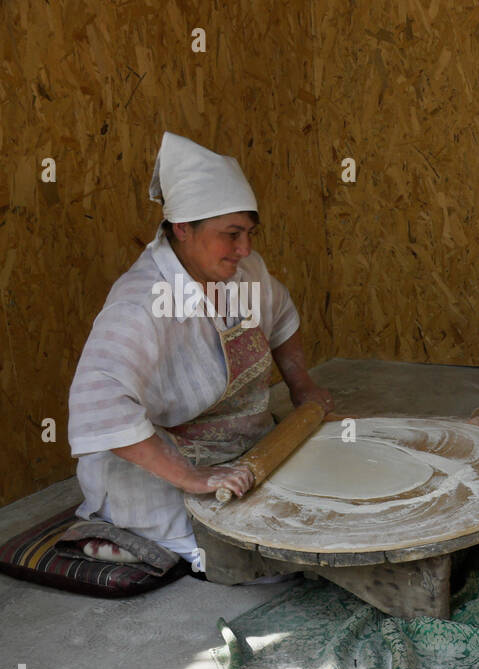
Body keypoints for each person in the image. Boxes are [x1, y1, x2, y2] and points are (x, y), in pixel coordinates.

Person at [66, 132, 333, 567]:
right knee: (258, 556)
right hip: (159, 464)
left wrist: (303, 386)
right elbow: (100, 404)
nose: (244, 249)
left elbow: (281, 316)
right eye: (231, 234)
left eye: (248, 233)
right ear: (182, 228)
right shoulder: (142, 301)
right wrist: (189, 477)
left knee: (319, 506)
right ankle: (121, 529)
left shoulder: (245, 271)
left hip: (241, 444)